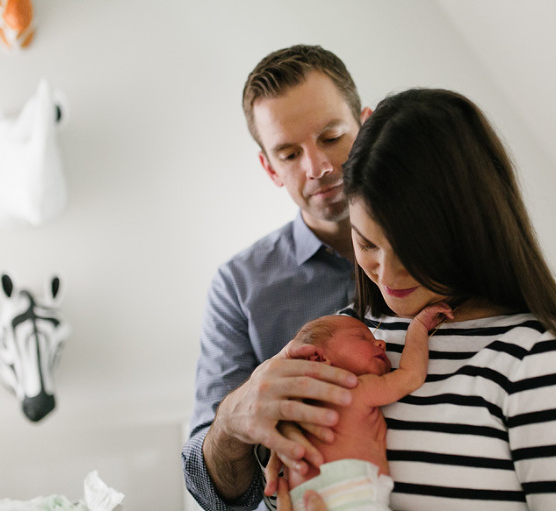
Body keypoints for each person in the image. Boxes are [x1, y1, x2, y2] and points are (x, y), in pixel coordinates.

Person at [274, 88, 556, 510]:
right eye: (367, 243)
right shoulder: (348, 338)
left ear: (468, 231)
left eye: (412, 251)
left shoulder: (539, 370)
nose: (386, 276)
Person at [181, 45, 371, 511]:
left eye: (331, 136)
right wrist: (233, 419)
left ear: (367, 127)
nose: (318, 168)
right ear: (269, 167)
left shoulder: (440, 243)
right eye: (289, 153)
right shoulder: (238, 286)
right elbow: (213, 495)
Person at [265, 303, 452, 510]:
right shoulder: (355, 388)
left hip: (300, 500)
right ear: (318, 358)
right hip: (351, 495)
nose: (381, 343)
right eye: (363, 338)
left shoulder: (294, 404)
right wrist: (418, 327)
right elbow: (411, 375)